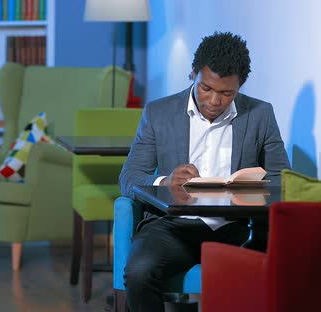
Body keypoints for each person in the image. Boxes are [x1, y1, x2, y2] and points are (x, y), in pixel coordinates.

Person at [118, 31, 290, 311]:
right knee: (139, 272)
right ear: (194, 74)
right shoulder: (158, 113)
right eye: (206, 88)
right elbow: (129, 178)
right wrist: (165, 181)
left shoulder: (260, 114)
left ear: (240, 86)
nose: (213, 101)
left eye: (226, 93)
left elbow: (283, 180)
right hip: (172, 227)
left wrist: (247, 187)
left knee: (277, 269)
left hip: (236, 227)